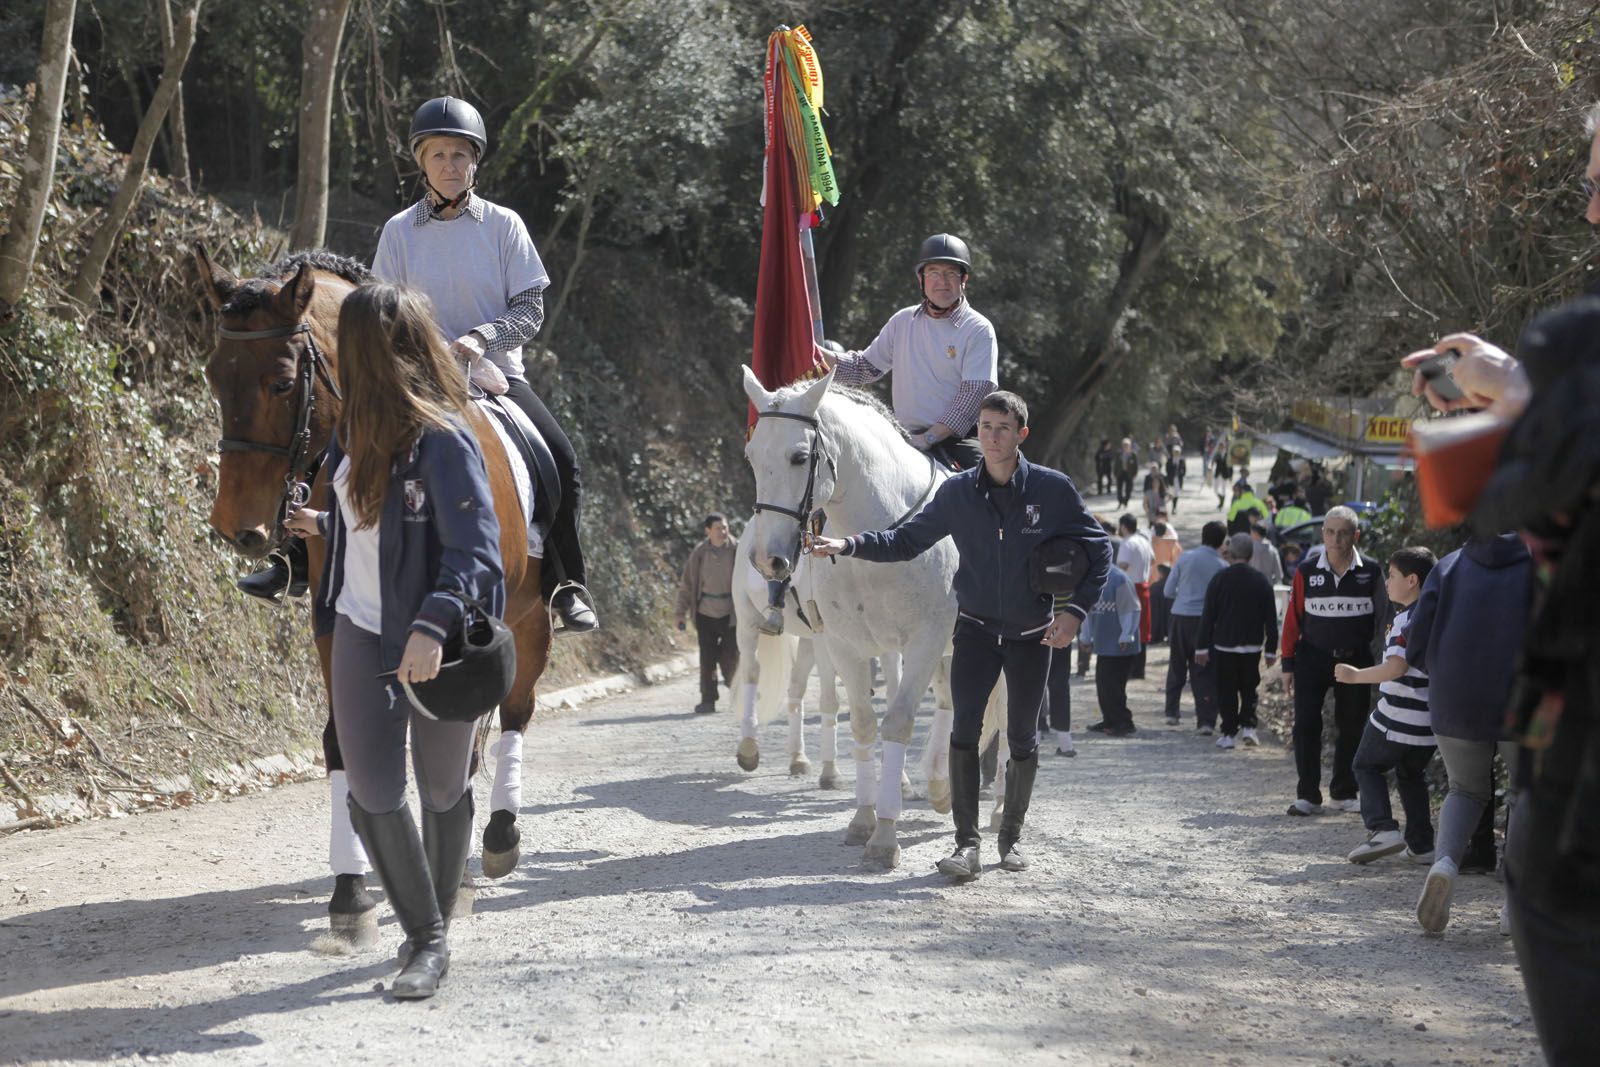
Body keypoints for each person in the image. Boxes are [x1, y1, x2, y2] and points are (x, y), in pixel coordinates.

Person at [284, 282, 505, 999]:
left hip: (435, 641)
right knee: (372, 791)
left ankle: (429, 933)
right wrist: (324, 526)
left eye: (344, 341)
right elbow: (375, 521)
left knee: (442, 787)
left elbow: (476, 550)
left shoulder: (444, 438)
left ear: (373, 349)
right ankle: (427, 938)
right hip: (357, 626)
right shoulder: (350, 432)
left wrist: (433, 624)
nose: (335, 355)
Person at [810, 390, 1110, 881]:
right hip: (974, 631)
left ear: (1021, 435)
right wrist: (848, 543)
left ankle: (1010, 837)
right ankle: (967, 844)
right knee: (964, 733)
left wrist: (1075, 612)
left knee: (1022, 737)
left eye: (1003, 429)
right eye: (986, 427)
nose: (992, 438)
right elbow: (905, 540)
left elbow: (1099, 550)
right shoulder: (957, 493)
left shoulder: (1052, 490)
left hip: (1031, 635)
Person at [369, 96, 595, 633]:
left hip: (497, 377)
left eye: (459, 155)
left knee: (561, 459)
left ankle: (565, 583)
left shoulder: (504, 225)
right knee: (335, 436)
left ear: (475, 162)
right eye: (438, 154)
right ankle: (293, 556)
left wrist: (480, 338)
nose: (449, 165)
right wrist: (429, 352)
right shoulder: (398, 231)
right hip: (419, 377)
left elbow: (530, 309)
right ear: (422, 162)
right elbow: (381, 310)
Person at [1402, 531, 1530, 935]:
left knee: (1465, 789)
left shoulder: (1449, 566)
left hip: (1455, 698)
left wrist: (1442, 674)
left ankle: (1444, 864)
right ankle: (1515, 905)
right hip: (1523, 699)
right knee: (1526, 792)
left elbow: (1416, 642)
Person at [819, 234, 998, 472]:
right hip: (903, 436)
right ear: (920, 278)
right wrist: (813, 353)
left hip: (957, 440)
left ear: (964, 278)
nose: (942, 281)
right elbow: (863, 368)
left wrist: (928, 438)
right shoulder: (902, 321)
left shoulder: (978, 329)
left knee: (990, 484)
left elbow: (972, 396)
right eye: (933, 273)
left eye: (950, 273)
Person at [1278, 505, 1389, 816]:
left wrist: (1389, 660)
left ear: (1355, 535)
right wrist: (1287, 664)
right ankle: (1308, 795)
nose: (1336, 540)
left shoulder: (1371, 571)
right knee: (1306, 725)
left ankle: (1343, 792)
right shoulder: (1306, 571)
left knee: (1352, 726)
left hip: (1357, 660)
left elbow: (1385, 620)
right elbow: (1292, 621)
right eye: (1330, 532)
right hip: (1312, 658)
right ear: (1322, 534)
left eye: (1343, 533)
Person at [1335, 546, 1438, 865]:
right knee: (1410, 775)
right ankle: (1421, 845)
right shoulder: (1437, 615)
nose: (1387, 582)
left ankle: (1383, 829)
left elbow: (1396, 667)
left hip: (1397, 715)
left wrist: (1355, 676)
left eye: (1391, 576)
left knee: (1365, 765)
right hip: (1428, 723)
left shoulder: (1405, 620)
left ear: (1412, 580)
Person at [1195, 533, 1279, 749]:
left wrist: (1201, 647)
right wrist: (1271, 650)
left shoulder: (1220, 579)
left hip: (1224, 645)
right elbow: (1271, 618)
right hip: (1252, 645)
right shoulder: (1261, 581)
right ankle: (1249, 727)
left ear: (1230, 554)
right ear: (1251, 555)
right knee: (1250, 687)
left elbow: (1208, 616)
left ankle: (1228, 733)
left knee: (1227, 690)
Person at [1162, 520, 1228, 731]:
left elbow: (1168, 591)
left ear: (1202, 536)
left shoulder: (1185, 558)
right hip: (1206, 622)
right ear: (1222, 541)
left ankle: (1172, 712)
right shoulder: (1222, 567)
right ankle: (1205, 721)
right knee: (1204, 671)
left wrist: (1184, 595)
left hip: (1180, 617)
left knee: (1176, 665)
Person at [675, 513, 738, 715]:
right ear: (708, 531)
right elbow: (687, 585)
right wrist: (680, 613)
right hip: (705, 613)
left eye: (725, 527)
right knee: (707, 659)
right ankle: (708, 700)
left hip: (732, 614)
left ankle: (738, 691)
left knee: (731, 657)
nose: (722, 532)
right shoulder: (700, 553)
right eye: (718, 528)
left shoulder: (737, 550)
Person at [1115, 515, 1154, 678]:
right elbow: (1153, 560)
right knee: (1142, 627)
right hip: (1143, 585)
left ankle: (1130, 668)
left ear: (1124, 527)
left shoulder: (1127, 543)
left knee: (1128, 625)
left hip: (1130, 587)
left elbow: (1123, 565)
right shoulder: (1144, 541)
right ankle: (1139, 669)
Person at [1114, 438, 1140, 507]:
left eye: (1127, 445)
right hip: (1120, 473)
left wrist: (1135, 474)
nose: (1125, 447)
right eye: (1124, 445)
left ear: (1130, 446)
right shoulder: (1119, 454)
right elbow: (1115, 464)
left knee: (1129, 489)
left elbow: (1136, 465)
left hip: (1129, 473)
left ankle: (1126, 501)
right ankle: (1120, 500)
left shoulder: (1133, 455)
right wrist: (1115, 473)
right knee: (1119, 488)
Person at [1142, 462, 1168, 527]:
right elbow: (1144, 503)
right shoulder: (1148, 492)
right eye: (1154, 482)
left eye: (1157, 482)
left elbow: (1169, 497)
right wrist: (1148, 513)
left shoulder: (1162, 492)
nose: (1155, 484)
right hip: (1152, 513)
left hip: (1161, 514)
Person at [1210, 437, 1233, 509]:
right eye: (1220, 447)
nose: (1221, 449)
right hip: (1218, 473)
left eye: (1222, 447)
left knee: (1223, 488)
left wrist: (1231, 476)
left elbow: (1230, 466)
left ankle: (1222, 502)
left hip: (1225, 474)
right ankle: (1221, 499)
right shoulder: (1217, 455)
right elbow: (1212, 463)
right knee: (1215, 489)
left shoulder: (1227, 455)